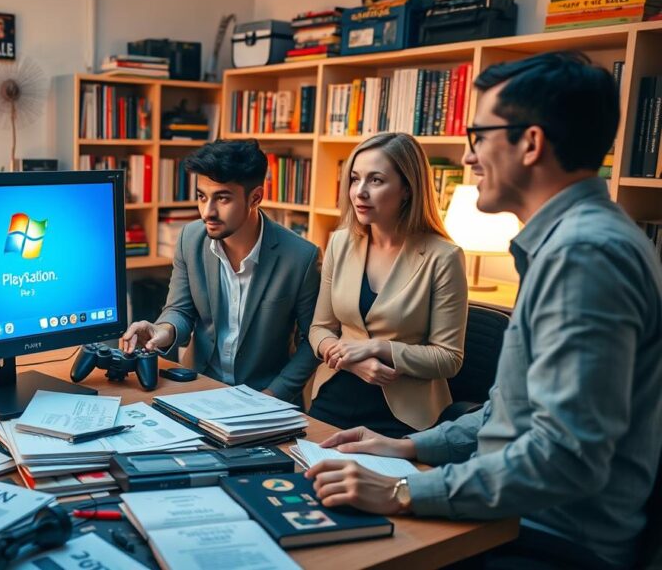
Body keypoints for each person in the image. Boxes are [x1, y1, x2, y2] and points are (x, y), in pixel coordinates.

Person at [305, 51, 662, 569]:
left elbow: (565, 458)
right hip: (511, 511)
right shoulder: (567, 244)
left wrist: (403, 490)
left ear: (531, 144)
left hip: (547, 536)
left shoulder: (584, 256)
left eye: (478, 135)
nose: (468, 157)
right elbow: (508, 412)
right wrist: (410, 448)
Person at [121, 139, 320, 402]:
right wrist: (163, 330)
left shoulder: (301, 257)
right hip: (198, 387)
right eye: (202, 197)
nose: (207, 212)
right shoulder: (190, 239)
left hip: (266, 397)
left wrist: (272, 395)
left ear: (255, 197)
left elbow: (313, 341)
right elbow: (180, 310)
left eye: (222, 198)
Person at [308, 132, 468, 438]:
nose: (360, 192)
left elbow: (449, 358)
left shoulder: (444, 257)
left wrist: (377, 348)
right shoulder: (340, 242)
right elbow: (319, 329)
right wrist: (354, 363)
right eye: (355, 179)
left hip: (404, 414)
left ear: (407, 188)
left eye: (376, 180)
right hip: (334, 392)